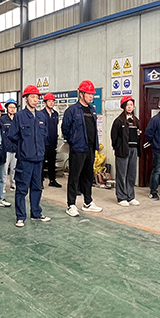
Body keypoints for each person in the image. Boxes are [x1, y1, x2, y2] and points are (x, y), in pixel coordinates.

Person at [7, 86, 50, 227]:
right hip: (25, 159)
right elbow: (12, 135)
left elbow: (44, 135)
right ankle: (20, 217)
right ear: (26, 98)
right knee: (22, 189)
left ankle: (36, 213)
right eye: (32, 97)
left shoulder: (41, 116)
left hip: (38, 159)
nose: (35, 100)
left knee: (37, 187)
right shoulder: (20, 116)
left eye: (37, 97)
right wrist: (23, 146)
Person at [61, 80, 103, 217]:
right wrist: (73, 142)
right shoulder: (72, 110)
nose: (91, 96)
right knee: (74, 176)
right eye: (89, 94)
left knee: (88, 176)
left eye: (92, 94)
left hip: (90, 148)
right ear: (81, 94)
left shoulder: (92, 110)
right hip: (78, 148)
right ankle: (71, 205)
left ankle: (88, 202)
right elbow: (65, 129)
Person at [110, 96, 141, 207]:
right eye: (127, 105)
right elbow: (113, 136)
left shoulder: (136, 120)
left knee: (131, 174)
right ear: (123, 106)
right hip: (122, 150)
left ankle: (130, 196)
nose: (129, 107)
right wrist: (117, 147)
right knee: (121, 174)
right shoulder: (119, 121)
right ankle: (121, 197)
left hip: (134, 149)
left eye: (131, 105)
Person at [40, 93, 61, 188]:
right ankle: (40, 181)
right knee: (41, 162)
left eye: (53, 101)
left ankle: (52, 180)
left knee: (52, 162)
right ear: (45, 102)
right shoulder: (41, 114)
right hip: (43, 142)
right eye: (49, 101)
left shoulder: (55, 114)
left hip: (52, 142)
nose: (51, 103)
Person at [0, 98, 18, 192]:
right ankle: (2, 186)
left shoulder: (18, 119)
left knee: (14, 169)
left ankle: (13, 184)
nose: (12, 109)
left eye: (14, 107)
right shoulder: (2, 120)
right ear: (7, 108)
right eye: (10, 107)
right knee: (4, 170)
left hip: (15, 148)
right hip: (6, 148)